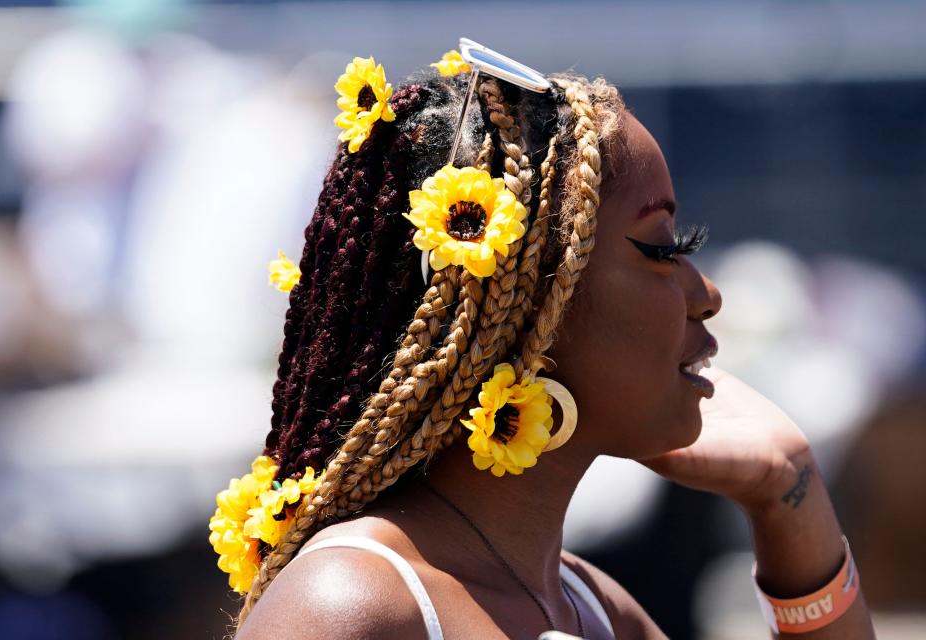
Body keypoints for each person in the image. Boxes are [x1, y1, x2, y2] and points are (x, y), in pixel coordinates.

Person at [215, 52, 876, 639]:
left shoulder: (594, 607)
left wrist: (790, 494)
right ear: (526, 301)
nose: (707, 293)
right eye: (662, 249)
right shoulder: (355, 604)